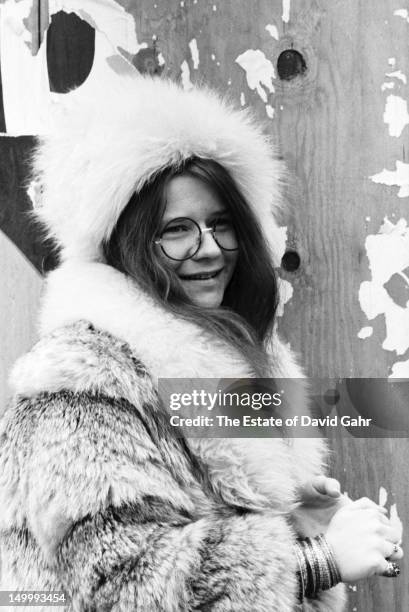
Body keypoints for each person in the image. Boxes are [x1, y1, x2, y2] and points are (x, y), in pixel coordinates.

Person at [0, 75, 402, 611]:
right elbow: (119, 578)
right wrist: (315, 562)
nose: (209, 249)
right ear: (129, 243)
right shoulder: (84, 377)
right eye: (177, 229)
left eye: (221, 223)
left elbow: (189, 507)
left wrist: (295, 519)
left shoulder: (224, 345)